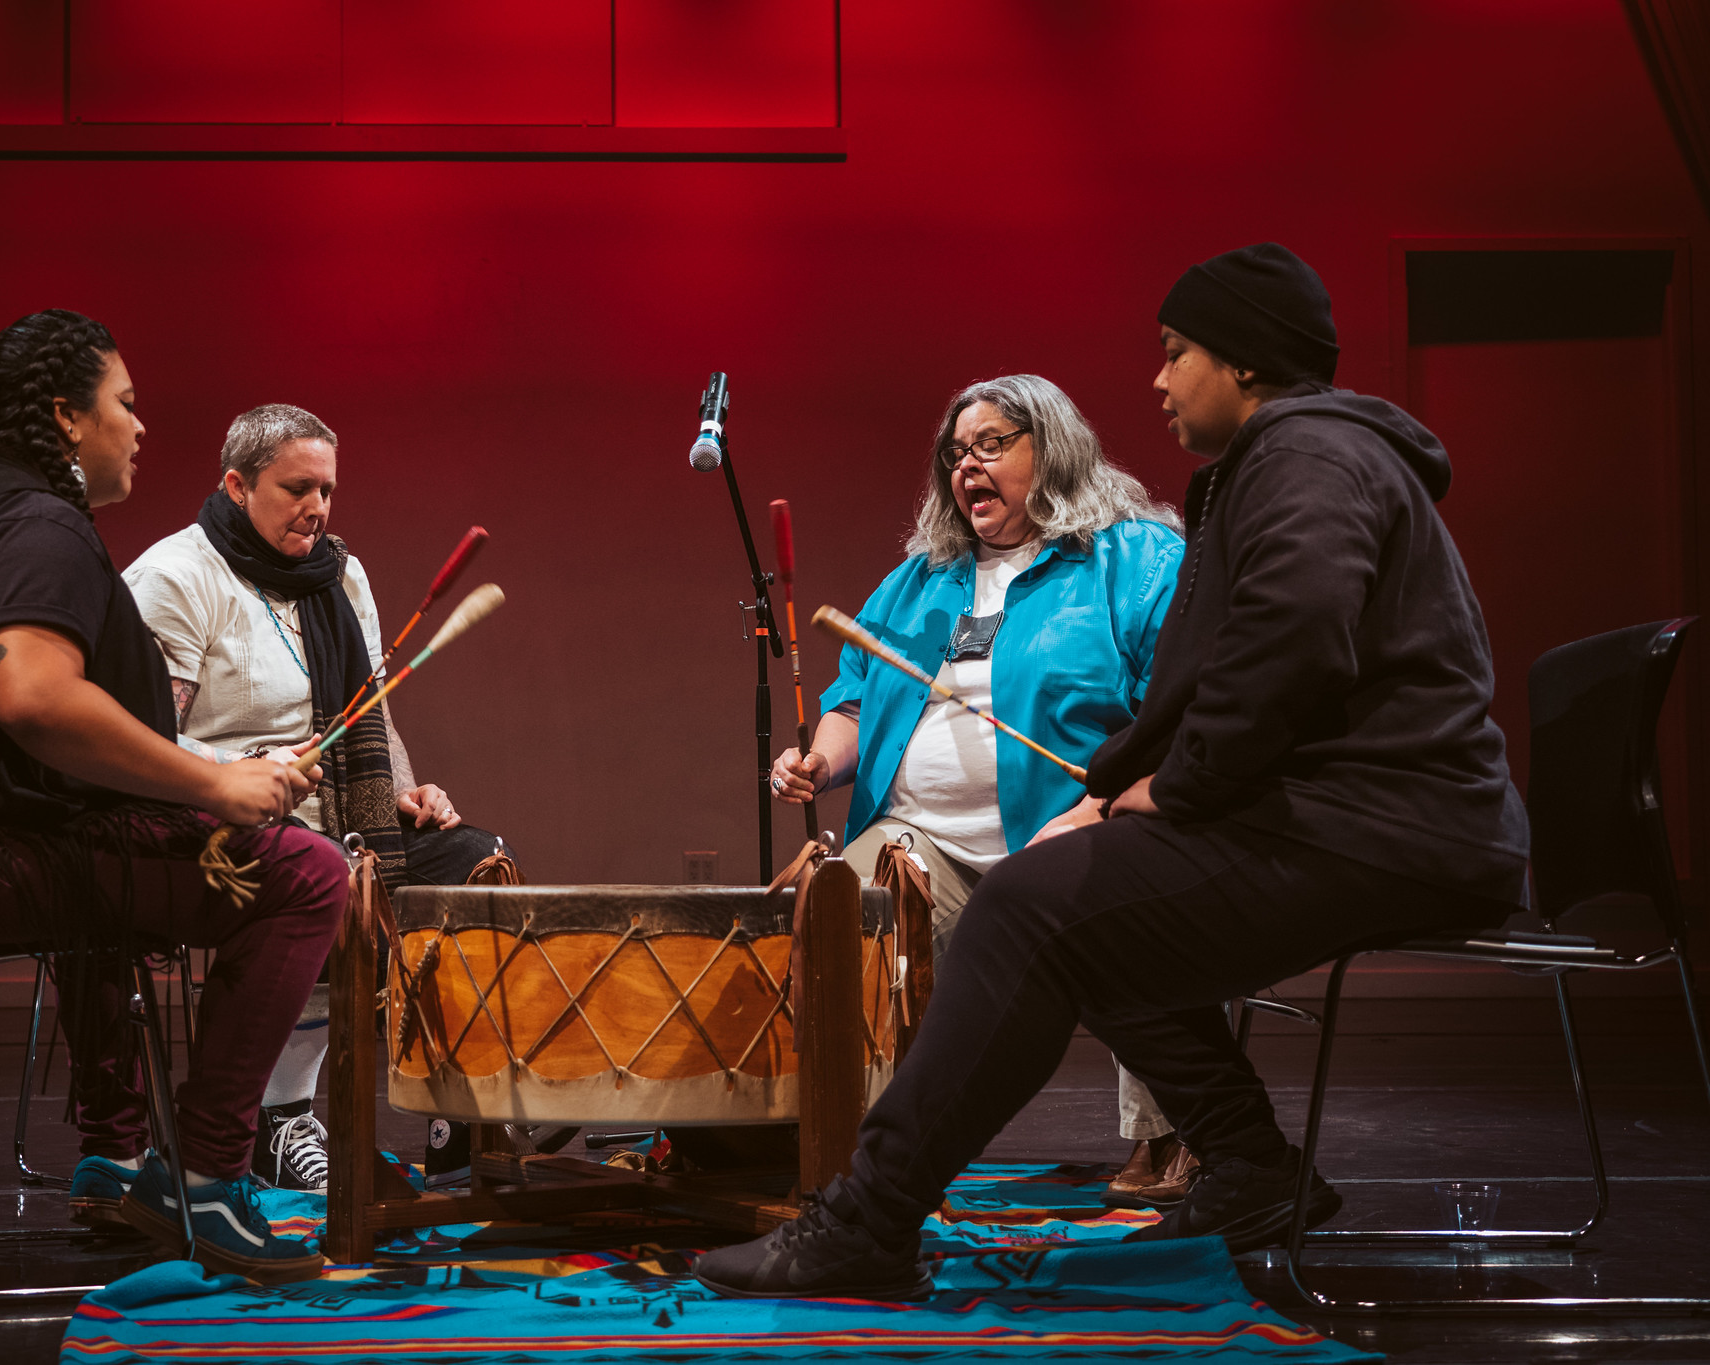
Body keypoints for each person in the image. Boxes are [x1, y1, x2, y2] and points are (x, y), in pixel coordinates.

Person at [696, 243, 1529, 1300]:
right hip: (1371, 824)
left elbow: (1292, 643)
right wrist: (1108, 796)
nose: (1158, 377)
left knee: (1027, 909)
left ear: (1243, 364)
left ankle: (865, 1223)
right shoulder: (1291, 459)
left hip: (1383, 831)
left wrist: (1169, 795)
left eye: (1175, 352)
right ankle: (1251, 1167)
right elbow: (1215, 675)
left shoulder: (1304, 459)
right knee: (1077, 912)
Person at [0, 310, 346, 1286]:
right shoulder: (35, 519)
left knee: (120, 848)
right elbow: (34, 697)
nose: (141, 428)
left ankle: (127, 1155)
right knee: (308, 871)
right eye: (125, 405)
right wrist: (215, 783)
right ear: (66, 418)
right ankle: (211, 1178)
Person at [767, 373, 1192, 1201]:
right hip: (923, 842)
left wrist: (1094, 808)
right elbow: (853, 696)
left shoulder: (1135, 560)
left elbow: (1176, 711)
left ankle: (1172, 1131)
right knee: (829, 915)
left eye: (992, 444)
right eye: (956, 452)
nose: (968, 466)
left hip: (1078, 825)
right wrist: (821, 760)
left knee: (1131, 900)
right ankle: (840, 1135)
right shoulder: (921, 579)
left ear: (1054, 448)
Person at [124, 403, 508, 1191]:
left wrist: (406, 791)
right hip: (212, 819)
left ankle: (452, 1106)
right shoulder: (177, 577)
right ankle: (281, 1117)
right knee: (332, 873)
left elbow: (370, 714)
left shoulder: (341, 572)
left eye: (327, 490)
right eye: (297, 488)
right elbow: (141, 739)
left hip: (338, 812)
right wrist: (251, 765)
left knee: (476, 862)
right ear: (236, 484)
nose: (319, 508)